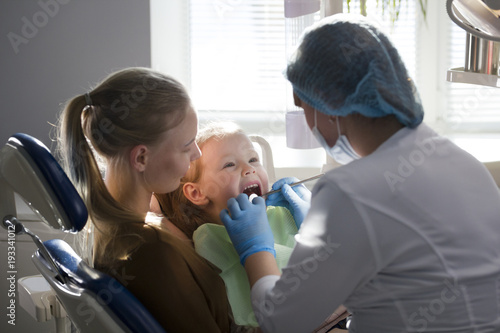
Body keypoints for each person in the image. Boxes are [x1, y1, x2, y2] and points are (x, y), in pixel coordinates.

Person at [219, 14, 500, 333]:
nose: (309, 124)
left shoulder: (349, 191)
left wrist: (256, 249)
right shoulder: (462, 161)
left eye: (303, 108)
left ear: (328, 106)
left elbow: (281, 321)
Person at [56, 67, 234, 332]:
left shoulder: (112, 226)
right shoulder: (152, 250)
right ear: (141, 158)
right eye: (186, 146)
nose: (196, 153)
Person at [153, 122, 350, 330]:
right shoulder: (210, 240)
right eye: (229, 164)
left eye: (253, 159)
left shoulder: (285, 214)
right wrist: (254, 251)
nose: (249, 169)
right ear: (196, 193)